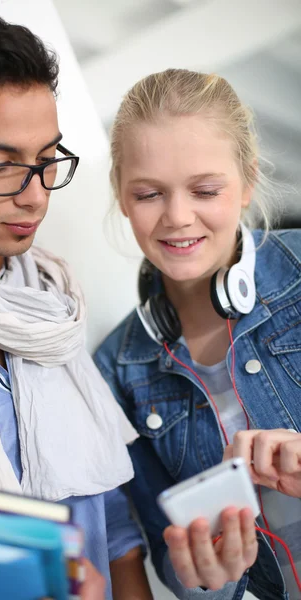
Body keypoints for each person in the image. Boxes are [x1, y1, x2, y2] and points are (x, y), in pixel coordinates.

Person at [0, 14, 153, 599]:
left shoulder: (51, 307)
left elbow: (112, 525)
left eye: (45, 158)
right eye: (1, 165)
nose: (36, 193)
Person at [94, 68, 301, 599]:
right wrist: (202, 575)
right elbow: (171, 560)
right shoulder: (116, 368)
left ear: (248, 180)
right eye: (148, 195)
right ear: (121, 194)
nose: (178, 217)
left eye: (205, 190)